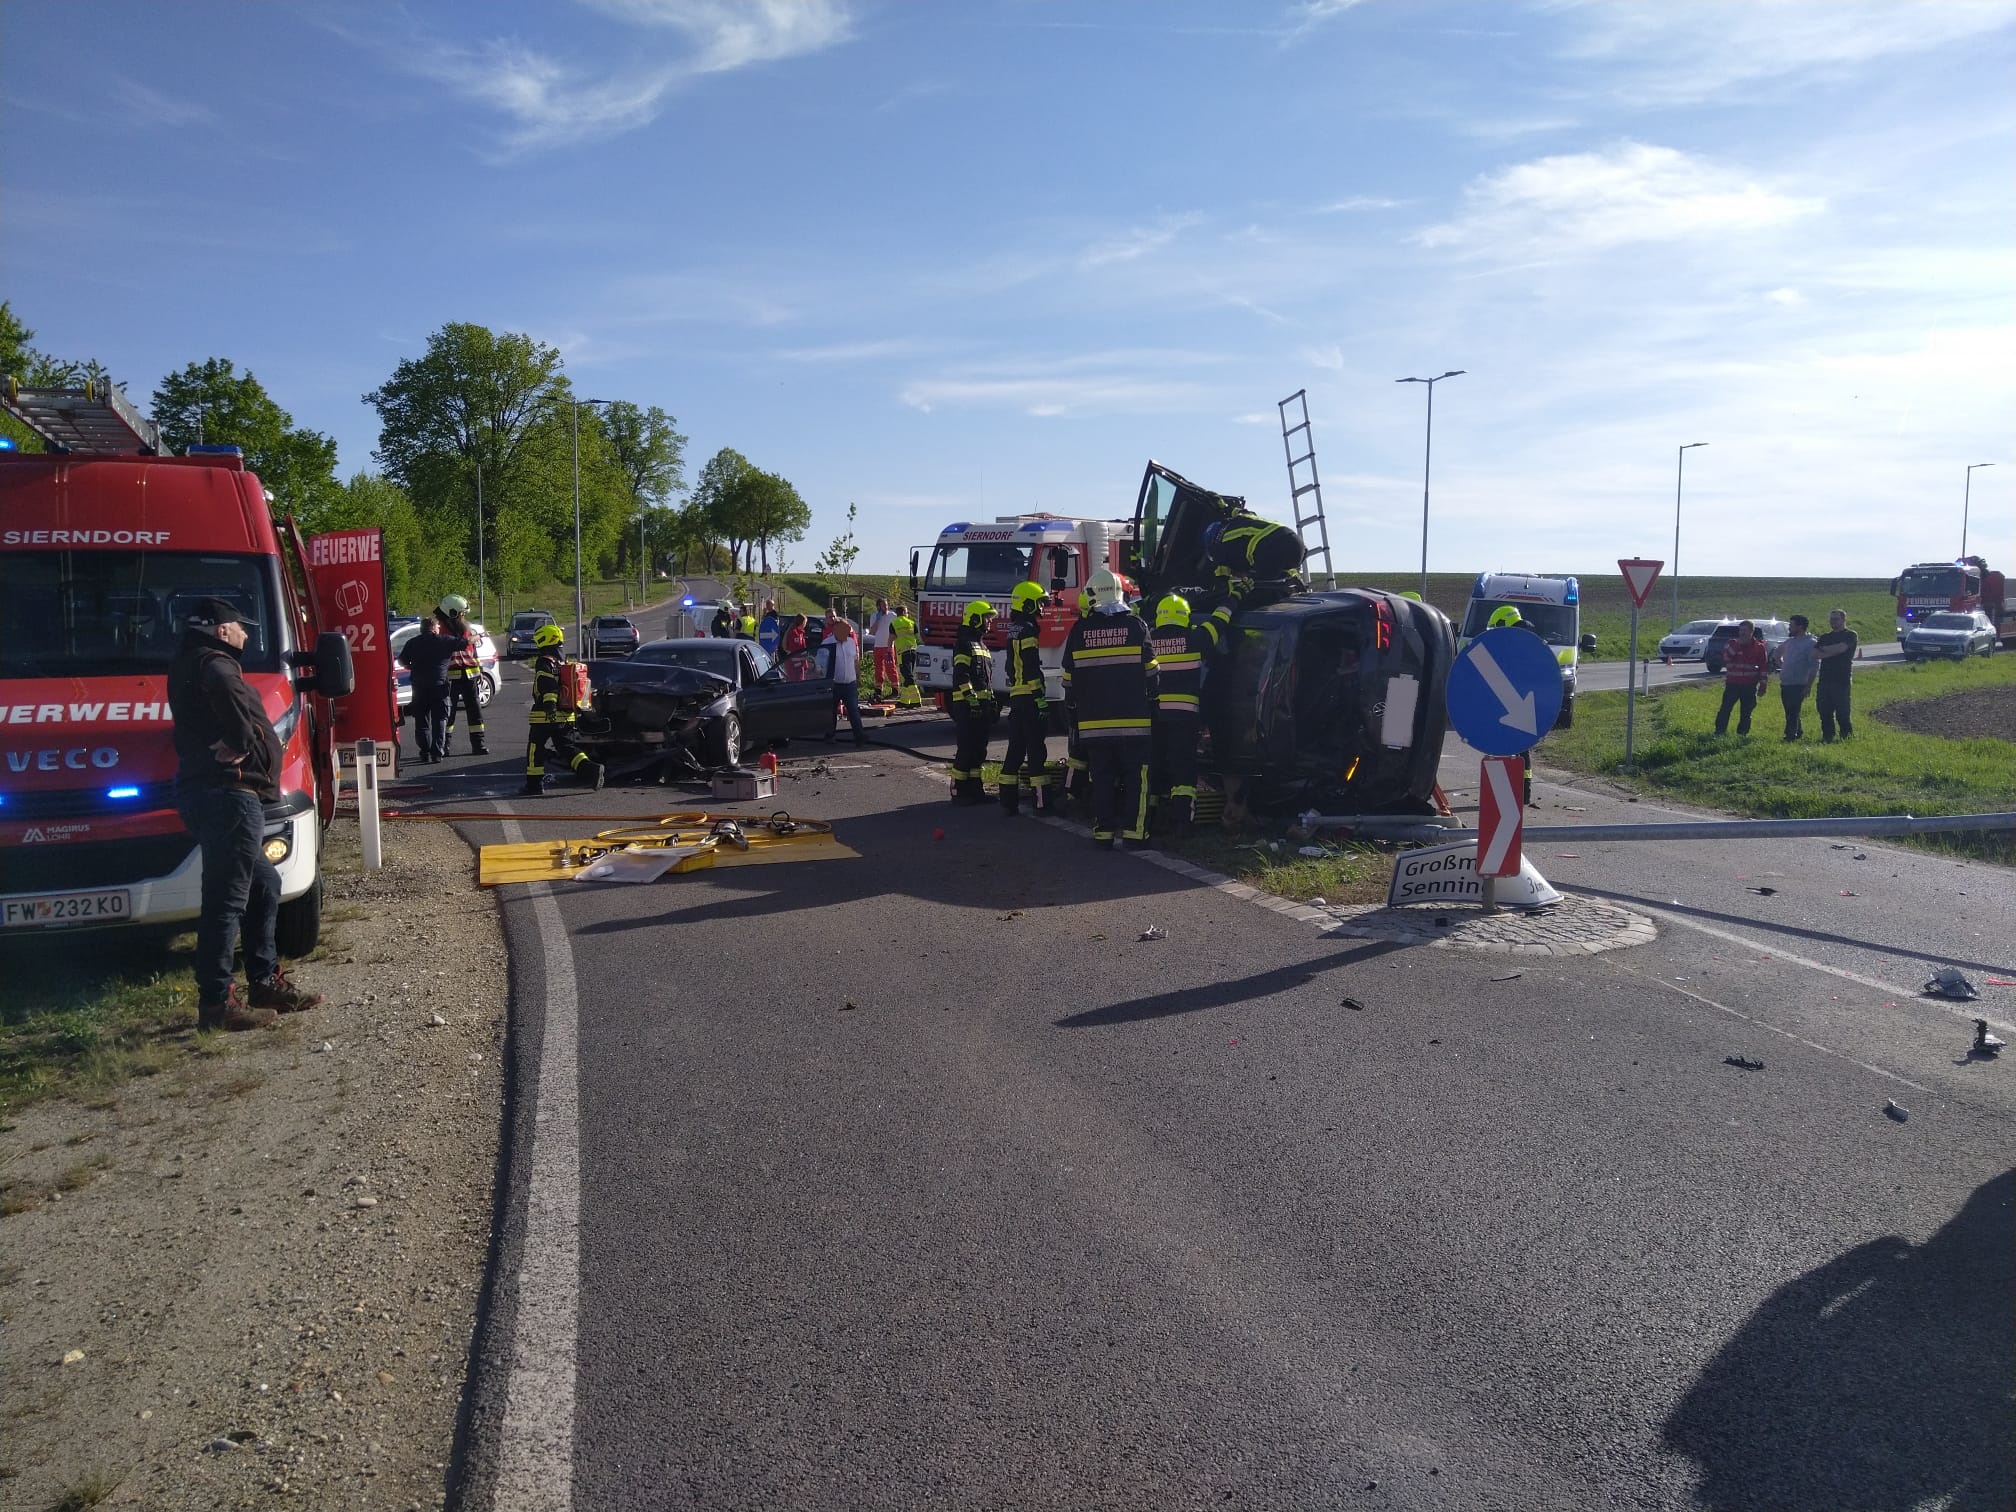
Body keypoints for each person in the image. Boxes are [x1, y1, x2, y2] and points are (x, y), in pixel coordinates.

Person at [166, 597, 322, 1030]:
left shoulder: (190, 664)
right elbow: (237, 715)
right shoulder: (216, 666)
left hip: (215, 794)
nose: (246, 634)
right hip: (228, 796)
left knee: (264, 882)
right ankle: (217, 1004)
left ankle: (264, 982)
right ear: (221, 630)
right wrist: (241, 744)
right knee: (226, 900)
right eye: (240, 627)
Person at [1062, 568, 1157, 848]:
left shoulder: (1079, 630)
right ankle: (1135, 835)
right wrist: (1152, 704)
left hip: (1093, 725)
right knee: (1137, 778)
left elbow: (1068, 680)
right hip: (1134, 724)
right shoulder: (1136, 626)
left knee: (1101, 778)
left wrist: (1076, 713)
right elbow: (1152, 673)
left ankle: (1103, 834)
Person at [1147, 593, 1231, 834]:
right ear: (1185, 616)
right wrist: (1233, 597)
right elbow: (1219, 620)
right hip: (1184, 718)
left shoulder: (1147, 639)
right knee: (1183, 768)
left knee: (1154, 764)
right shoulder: (1196, 638)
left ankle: (1149, 818)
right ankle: (1182, 822)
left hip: (1154, 716)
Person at [523, 624, 605, 796]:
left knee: (535, 748)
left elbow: (548, 686)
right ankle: (591, 770)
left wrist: (550, 707)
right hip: (567, 716)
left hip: (544, 716)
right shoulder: (564, 661)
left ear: (545, 640)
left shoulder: (544, 662)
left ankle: (533, 785)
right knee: (566, 748)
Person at [999, 583, 1051, 815]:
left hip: (1017, 697)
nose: (1042, 608)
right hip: (1030, 697)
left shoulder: (1014, 629)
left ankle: (1007, 802)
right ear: (1028, 604)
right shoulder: (1028, 629)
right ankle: (1042, 803)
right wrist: (1040, 697)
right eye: (1039, 603)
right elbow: (1031, 667)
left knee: (1015, 750)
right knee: (1036, 751)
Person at [948, 600, 997, 803]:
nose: (989, 622)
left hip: (981, 706)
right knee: (966, 749)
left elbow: (985, 679)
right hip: (966, 705)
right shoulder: (964, 644)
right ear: (975, 619)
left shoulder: (982, 646)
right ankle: (958, 791)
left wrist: (991, 699)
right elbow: (961, 675)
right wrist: (971, 699)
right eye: (987, 618)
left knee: (979, 750)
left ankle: (976, 790)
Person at [398, 612, 458, 762]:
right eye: (438, 626)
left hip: (419, 687)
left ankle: (424, 752)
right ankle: (437, 753)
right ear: (433, 627)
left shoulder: (413, 642)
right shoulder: (444, 640)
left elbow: (402, 660)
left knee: (421, 721)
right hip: (439, 687)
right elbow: (464, 642)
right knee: (439, 720)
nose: (439, 628)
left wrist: (412, 667)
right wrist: (478, 636)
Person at [1205, 508, 1304, 599]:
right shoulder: (1242, 518)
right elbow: (1237, 510)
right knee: (1276, 576)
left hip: (1273, 546)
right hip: (1296, 543)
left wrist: (1229, 596)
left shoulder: (1220, 546)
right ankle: (1295, 580)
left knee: (1259, 593)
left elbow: (1222, 582)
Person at [438, 595, 489, 755]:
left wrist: (479, 670)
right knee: (449, 713)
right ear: (452, 613)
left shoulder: (466, 629)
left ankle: (478, 744)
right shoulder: (440, 631)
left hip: (470, 676)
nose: (463, 616)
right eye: (461, 614)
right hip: (450, 679)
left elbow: (473, 652)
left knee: (475, 712)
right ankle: (444, 745)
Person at [1714, 620, 1769, 736]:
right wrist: (1737, 646)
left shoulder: (1759, 647)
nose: (1742, 633)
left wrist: (1763, 685)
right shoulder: (1732, 644)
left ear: (1751, 631)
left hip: (1750, 685)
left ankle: (1742, 734)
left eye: (1745, 630)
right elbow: (1725, 659)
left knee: (1746, 712)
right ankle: (1719, 732)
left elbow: (1763, 668)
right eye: (1740, 630)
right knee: (1725, 709)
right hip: (1733, 684)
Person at [823, 614, 868, 746]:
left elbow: (855, 661)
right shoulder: (827, 644)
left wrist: (858, 676)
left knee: (853, 711)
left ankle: (860, 737)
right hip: (834, 684)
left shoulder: (851, 643)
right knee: (831, 712)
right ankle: (830, 736)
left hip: (850, 683)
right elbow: (821, 664)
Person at [1814, 608, 1858, 742]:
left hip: (1841, 680)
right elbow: (1814, 654)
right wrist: (1833, 651)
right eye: (1831, 619)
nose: (1832, 621)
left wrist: (1825, 650)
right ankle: (1828, 736)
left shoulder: (1850, 635)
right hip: (1824, 679)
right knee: (1824, 711)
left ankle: (1846, 737)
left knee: (1842, 712)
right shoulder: (1825, 637)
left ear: (1843, 620)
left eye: (1836, 619)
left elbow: (1841, 648)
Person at [1776, 614, 1818, 741]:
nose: (1789, 628)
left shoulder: (1811, 643)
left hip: (1799, 683)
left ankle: (1790, 735)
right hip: (1786, 682)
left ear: (1800, 627)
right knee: (1789, 710)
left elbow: (1814, 666)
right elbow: (1777, 653)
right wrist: (1782, 665)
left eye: (1791, 625)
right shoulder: (1790, 642)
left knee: (1793, 710)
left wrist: (1809, 685)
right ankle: (1798, 731)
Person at [867, 597, 900, 702]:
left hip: (888, 646)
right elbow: (872, 632)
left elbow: (897, 630)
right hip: (877, 646)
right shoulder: (874, 616)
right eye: (883, 605)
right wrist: (878, 619)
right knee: (878, 668)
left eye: (886, 605)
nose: (885, 607)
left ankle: (895, 690)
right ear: (878, 607)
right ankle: (878, 690)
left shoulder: (892, 616)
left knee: (890, 667)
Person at [891, 602, 922, 708]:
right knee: (907, 676)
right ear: (904, 612)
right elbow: (918, 637)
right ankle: (904, 701)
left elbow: (891, 638)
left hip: (902, 653)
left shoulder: (894, 623)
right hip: (913, 651)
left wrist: (888, 651)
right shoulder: (911, 623)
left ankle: (916, 700)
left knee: (908, 676)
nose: (908, 614)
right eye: (907, 612)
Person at [781, 613, 811, 680]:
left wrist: (805, 663)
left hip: (799, 666)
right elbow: (795, 651)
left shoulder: (800, 633)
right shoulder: (794, 634)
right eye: (805, 623)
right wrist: (803, 661)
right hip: (794, 666)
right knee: (795, 683)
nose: (805, 625)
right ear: (802, 622)